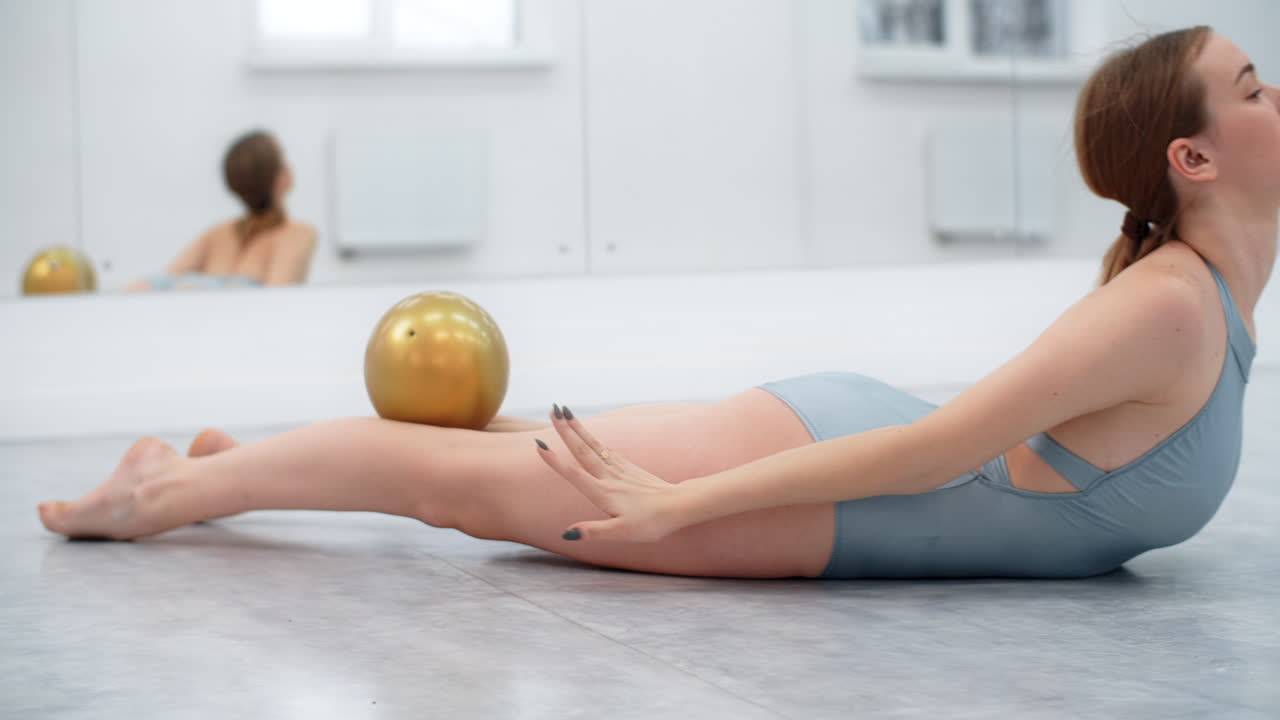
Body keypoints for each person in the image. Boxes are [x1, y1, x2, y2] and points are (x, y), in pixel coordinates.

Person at [39, 27, 1274, 579]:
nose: (1274, 95)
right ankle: (170, 488)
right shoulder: (1169, 305)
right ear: (1191, 158)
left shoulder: (1201, 299)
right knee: (464, 493)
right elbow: (935, 447)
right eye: (1252, 87)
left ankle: (234, 461)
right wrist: (684, 505)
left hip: (844, 472)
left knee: (510, 450)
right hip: (839, 480)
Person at [127, 130, 317, 291]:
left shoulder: (217, 235)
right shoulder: (298, 235)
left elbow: (151, 287)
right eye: (282, 160)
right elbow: (279, 305)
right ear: (279, 178)